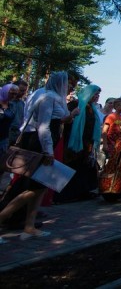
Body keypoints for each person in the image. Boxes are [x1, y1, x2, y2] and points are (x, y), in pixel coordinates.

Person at [0, 72, 69, 239]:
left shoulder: (47, 96)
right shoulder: (47, 97)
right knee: (33, 187)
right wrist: (48, 151)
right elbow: (43, 126)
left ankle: (29, 225)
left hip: (44, 142)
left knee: (41, 187)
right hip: (39, 143)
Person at [56, 84, 103, 203]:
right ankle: (65, 195)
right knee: (71, 167)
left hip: (87, 143)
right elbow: (65, 121)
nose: (97, 96)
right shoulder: (75, 104)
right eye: (95, 94)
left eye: (98, 94)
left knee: (84, 168)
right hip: (73, 142)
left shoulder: (92, 108)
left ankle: (82, 192)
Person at [7, 79, 28, 144]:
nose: (23, 93)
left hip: (16, 134)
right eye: (21, 90)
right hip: (5, 133)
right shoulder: (6, 102)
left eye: (24, 91)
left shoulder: (22, 104)